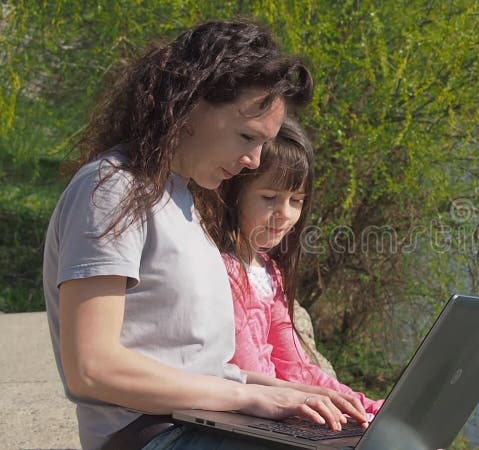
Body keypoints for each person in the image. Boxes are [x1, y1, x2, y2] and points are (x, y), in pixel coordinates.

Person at [42, 20, 367, 450]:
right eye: (247, 136)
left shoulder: (184, 202)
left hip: (203, 424)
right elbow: (93, 367)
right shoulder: (112, 188)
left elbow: (198, 367)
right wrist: (250, 397)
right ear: (189, 106)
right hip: (151, 435)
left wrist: (283, 392)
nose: (253, 160)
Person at [194, 117, 384, 418]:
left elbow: (295, 365)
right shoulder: (225, 270)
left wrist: (366, 405)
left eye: (296, 201)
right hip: (245, 413)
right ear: (233, 192)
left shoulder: (269, 271)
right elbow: (247, 369)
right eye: (269, 198)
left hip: (274, 405)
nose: (285, 214)